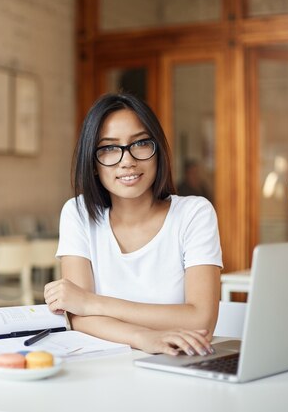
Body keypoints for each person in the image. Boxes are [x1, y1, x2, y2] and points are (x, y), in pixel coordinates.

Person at [44, 93, 222, 357]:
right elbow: (79, 319)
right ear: (93, 163)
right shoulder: (78, 214)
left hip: (179, 363)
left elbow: (201, 319)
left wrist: (91, 302)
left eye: (139, 143)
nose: (127, 160)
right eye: (108, 148)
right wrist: (146, 338)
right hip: (101, 370)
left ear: (157, 151)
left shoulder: (194, 213)